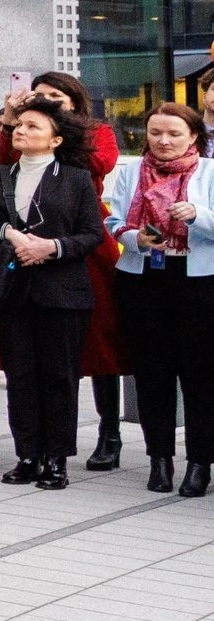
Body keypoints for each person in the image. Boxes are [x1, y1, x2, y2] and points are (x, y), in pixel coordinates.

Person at [0, 98, 103, 493]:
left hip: (63, 291)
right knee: (21, 375)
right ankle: (27, 454)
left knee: (59, 375)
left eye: (32, 127)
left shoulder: (76, 179)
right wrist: (7, 234)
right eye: (18, 126)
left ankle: (57, 459)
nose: (21, 131)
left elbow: (92, 234)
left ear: (55, 140)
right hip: (12, 291)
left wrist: (53, 248)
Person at [24, 71, 129, 471]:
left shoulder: (97, 131)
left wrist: (60, 128)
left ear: (74, 98)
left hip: (88, 238)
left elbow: (102, 162)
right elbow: (6, 161)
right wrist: (23, 123)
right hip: (34, 236)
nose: (47, 100)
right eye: (40, 95)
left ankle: (110, 433)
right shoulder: (25, 128)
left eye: (56, 95)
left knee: (102, 341)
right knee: (42, 346)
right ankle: (45, 440)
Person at [108, 102, 214, 496]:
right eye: (155, 133)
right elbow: (114, 220)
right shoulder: (132, 170)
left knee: (199, 375)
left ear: (193, 136)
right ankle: (160, 460)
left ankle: (200, 462)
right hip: (144, 277)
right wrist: (134, 238)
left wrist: (196, 215)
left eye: (173, 134)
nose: (163, 141)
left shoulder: (209, 170)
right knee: (152, 374)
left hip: (199, 281)